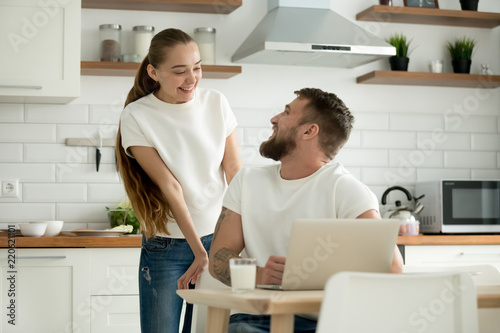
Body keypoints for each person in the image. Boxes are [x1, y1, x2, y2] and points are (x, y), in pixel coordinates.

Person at [209, 88, 404, 333]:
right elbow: (219, 256)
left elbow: (393, 267)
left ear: (309, 130)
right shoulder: (246, 182)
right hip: (260, 320)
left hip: (329, 322)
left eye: (286, 112)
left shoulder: (345, 188)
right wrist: (261, 275)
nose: (274, 119)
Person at [116, 28, 243, 333]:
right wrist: (199, 252)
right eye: (179, 71)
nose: (192, 79)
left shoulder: (216, 102)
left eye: (197, 68)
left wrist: (239, 238)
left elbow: (234, 169)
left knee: (206, 329)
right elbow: (170, 186)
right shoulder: (137, 115)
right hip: (166, 246)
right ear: (153, 72)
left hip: (218, 238)